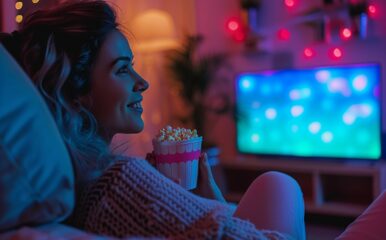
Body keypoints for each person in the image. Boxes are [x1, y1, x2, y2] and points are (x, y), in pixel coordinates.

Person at [0, 1, 305, 239]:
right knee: (278, 185)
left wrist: (204, 203)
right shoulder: (115, 181)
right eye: (121, 69)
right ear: (75, 91)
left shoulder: (71, 181)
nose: (142, 82)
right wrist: (217, 205)